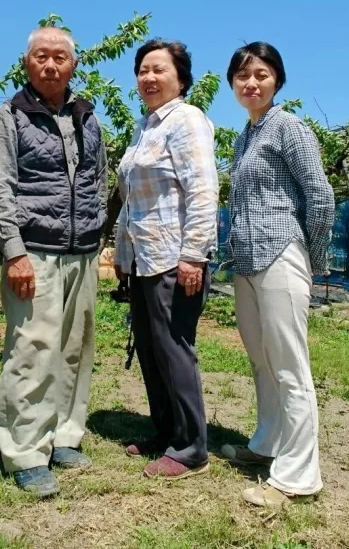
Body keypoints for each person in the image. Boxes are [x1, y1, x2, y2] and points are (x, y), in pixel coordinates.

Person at [0, 26, 108, 498]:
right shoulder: (8, 116)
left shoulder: (86, 116)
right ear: (26, 62)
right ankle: (25, 449)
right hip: (33, 250)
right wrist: (13, 252)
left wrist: (98, 235)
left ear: (73, 65)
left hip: (82, 250)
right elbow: (0, 190)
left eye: (60, 57)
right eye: (41, 56)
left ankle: (64, 435)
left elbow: (98, 178)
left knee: (74, 347)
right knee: (32, 348)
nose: (51, 65)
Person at [221, 41, 335, 508]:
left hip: (282, 253)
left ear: (277, 80)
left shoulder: (289, 127)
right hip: (247, 261)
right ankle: (266, 443)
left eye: (261, 74)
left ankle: (297, 475)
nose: (252, 83)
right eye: (243, 75)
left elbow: (320, 196)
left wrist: (314, 259)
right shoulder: (244, 136)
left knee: (290, 365)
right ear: (233, 83)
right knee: (262, 360)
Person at [113, 39, 219, 480]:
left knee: (175, 349)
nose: (149, 78)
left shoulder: (187, 120)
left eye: (159, 69)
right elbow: (131, 201)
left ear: (181, 78)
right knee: (152, 349)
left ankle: (192, 446)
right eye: (142, 70)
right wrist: (121, 251)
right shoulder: (145, 126)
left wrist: (194, 255)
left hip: (174, 258)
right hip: (143, 257)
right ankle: (166, 432)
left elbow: (202, 190)